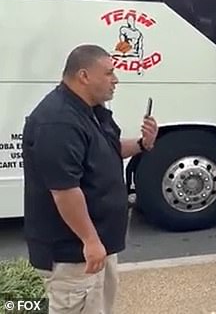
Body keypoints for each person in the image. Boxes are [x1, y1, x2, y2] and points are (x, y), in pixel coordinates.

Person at [22, 44, 158, 314]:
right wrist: (91, 241)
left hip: (97, 248)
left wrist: (143, 144)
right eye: (109, 73)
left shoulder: (90, 110)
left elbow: (109, 150)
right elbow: (65, 191)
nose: (116, 79)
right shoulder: (58, 122)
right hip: (73, 255)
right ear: (83, 76)